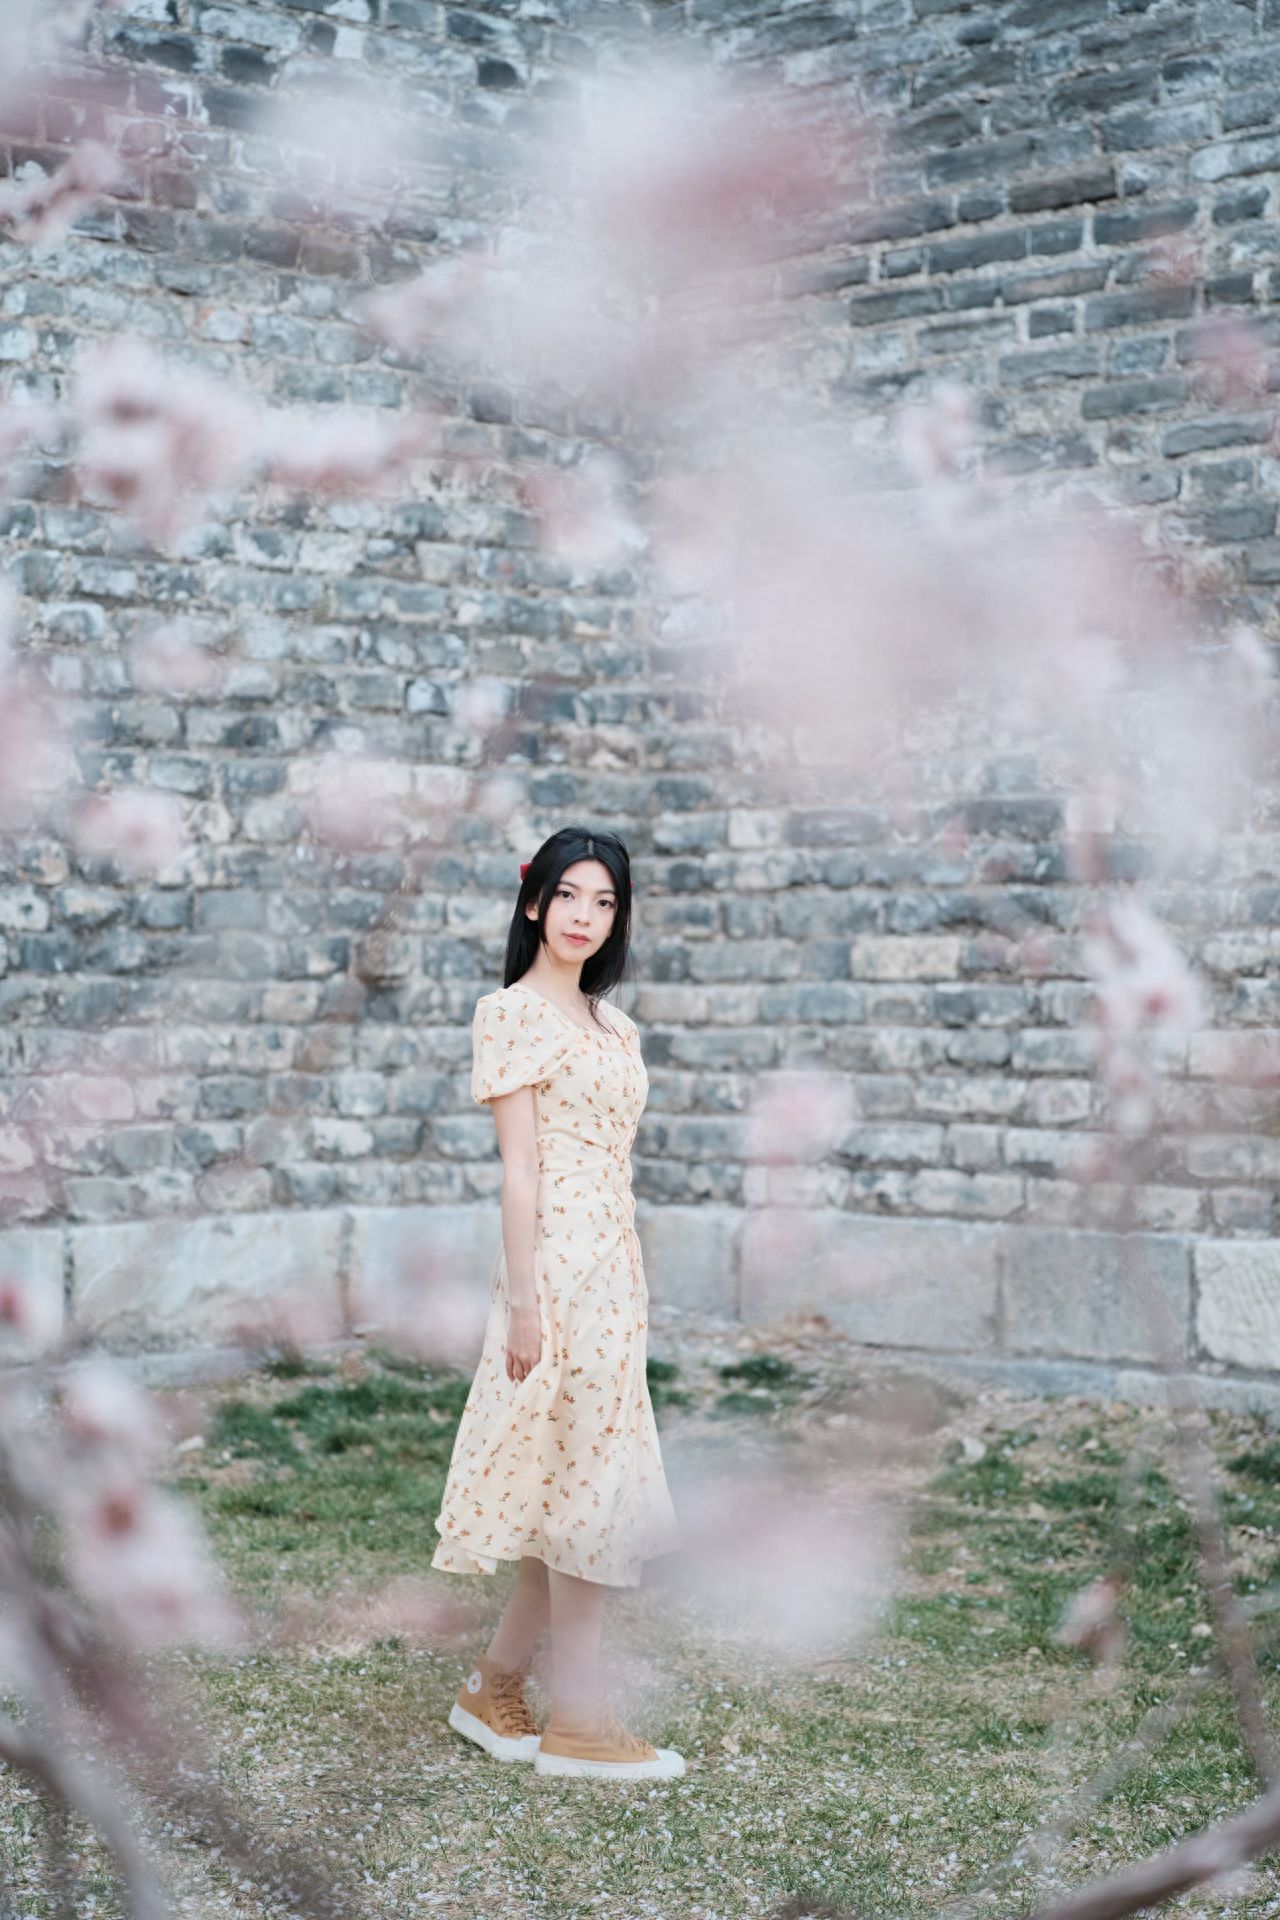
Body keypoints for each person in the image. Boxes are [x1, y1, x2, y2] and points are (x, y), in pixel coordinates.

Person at [431, 825, 685, 1782]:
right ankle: (579, 1716)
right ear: (534, 902)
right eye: (569, 895)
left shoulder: (615, 1027)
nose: (585, 916)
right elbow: (519, 1173)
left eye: (605, 901)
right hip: (552, 1275)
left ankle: (490, 1684)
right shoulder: (510, 1014)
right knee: (582, 1487)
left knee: (574, 1480)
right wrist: (527, 1303)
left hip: (616, 1272)